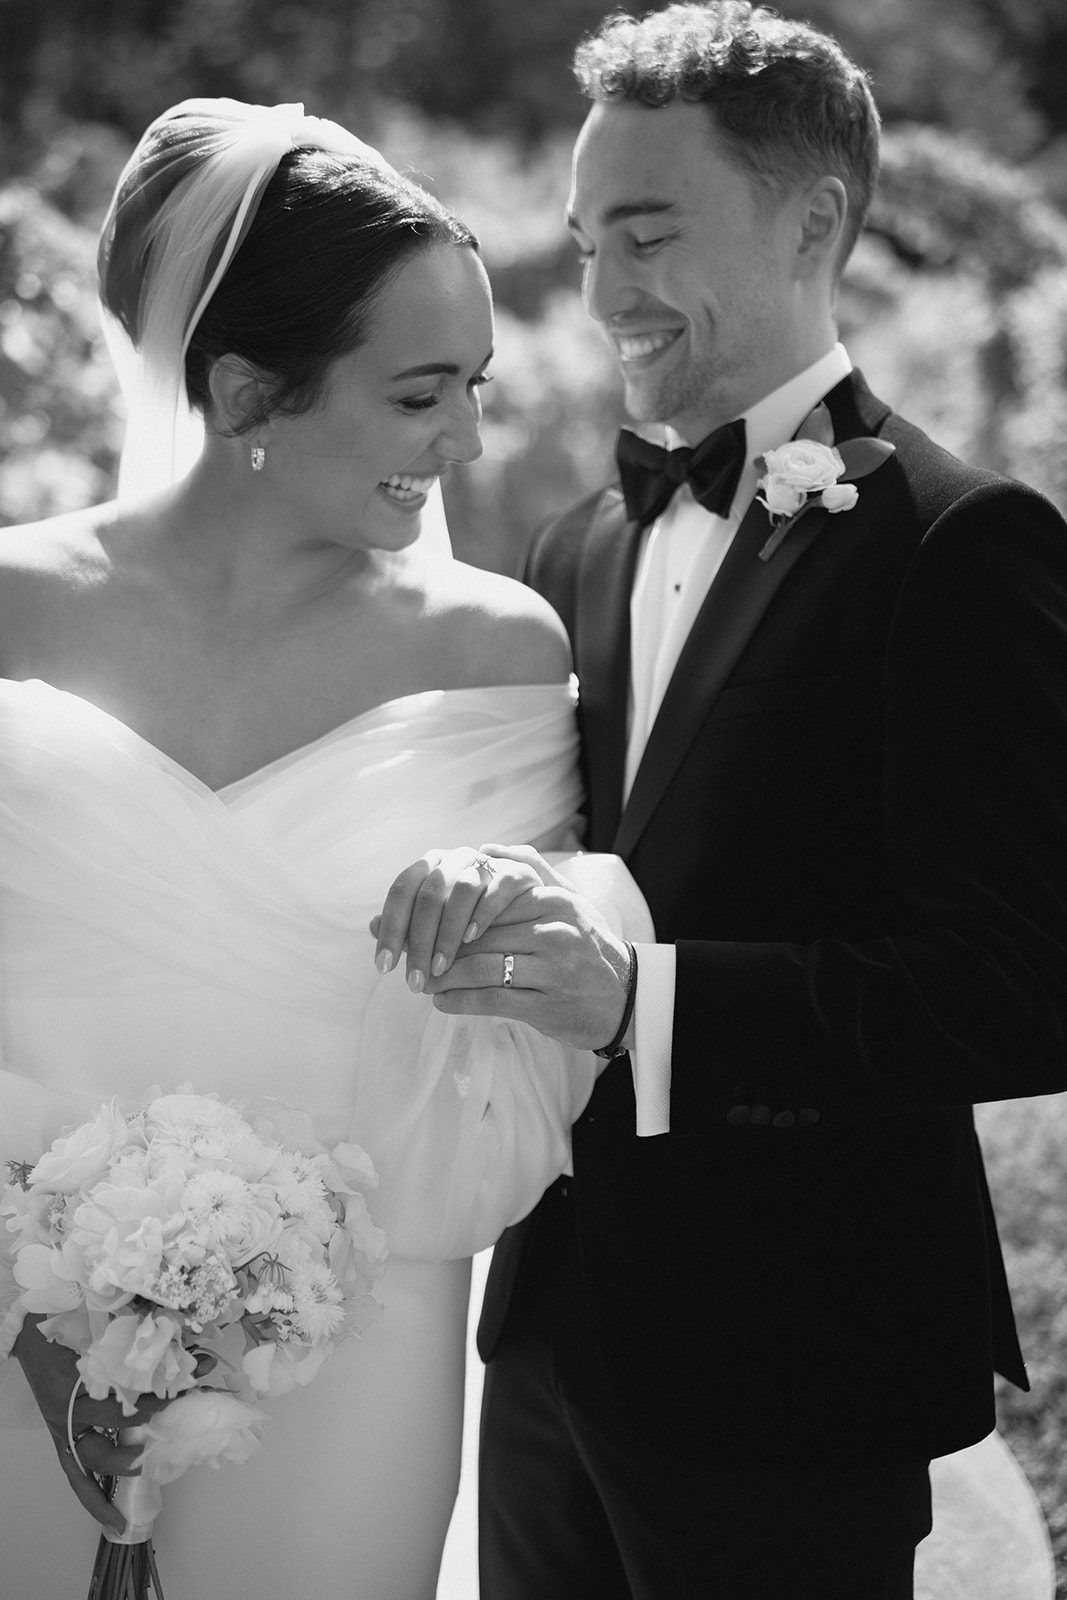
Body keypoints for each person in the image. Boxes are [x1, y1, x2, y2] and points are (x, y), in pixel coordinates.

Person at [374, 5, 1067, 1597]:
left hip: (796, 1364)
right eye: (583, 239)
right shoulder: (574, 547)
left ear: (813, 218)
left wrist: (652, 1004)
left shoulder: (964, 546)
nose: (603, 292)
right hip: (545, 1348)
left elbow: (1025, 992)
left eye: (648, 234)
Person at [0, 96, 652, 1600]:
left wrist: (522, 910)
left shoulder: (497, 652)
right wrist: (41, 1300)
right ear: (244, 393)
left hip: (356, 1341)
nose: (472, 437)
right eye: (423, 393)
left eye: (478, 386)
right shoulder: (17, 614)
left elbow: (524, 1069)